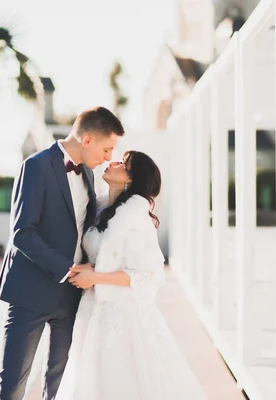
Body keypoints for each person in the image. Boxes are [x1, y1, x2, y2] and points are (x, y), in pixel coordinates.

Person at [0, 106, 124, 400]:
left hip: (71, 296)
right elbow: (22, 234)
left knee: (61, 387)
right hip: (31, 292)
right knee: (11, 388)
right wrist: (68, 269)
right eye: (107, 149)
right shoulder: (36, 166)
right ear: (88, 140)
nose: (108, 158)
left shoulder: (89, 176)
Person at [57, 151, 207, 400]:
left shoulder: (136, 217)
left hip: (124, 316)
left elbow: (149, 276)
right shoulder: (104, 209)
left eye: (122, 164)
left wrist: (96, 277)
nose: (111, 162)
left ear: (130, 179)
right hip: (94, 310)